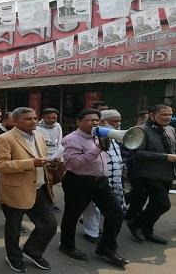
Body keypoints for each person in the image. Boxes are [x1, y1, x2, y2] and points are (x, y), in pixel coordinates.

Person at [0, 107, 58, 272]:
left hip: (41, 189)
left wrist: (52, 162)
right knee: (14, 228)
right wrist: (30, 163)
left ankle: (32, 250)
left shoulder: (39, 136)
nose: (33, 121)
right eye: (28, 119)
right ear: (15, 121)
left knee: (49, 225)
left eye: (35, 118)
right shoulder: (5, 139)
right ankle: (13, 257)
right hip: (16, 190)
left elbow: (41, 159)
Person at [59, 109, 128, 265]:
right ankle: (66, 245)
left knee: (116, 213)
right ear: (78, 122)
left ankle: (107, 248)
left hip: (101, 181)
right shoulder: (71, 139)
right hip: (79, 182)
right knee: (72, 215)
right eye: (90, 120)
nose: (94, 123)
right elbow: (74, 164)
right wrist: (98, 149)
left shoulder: (100, 136)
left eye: (97, 120)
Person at [127, 104, 176, 245]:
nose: (168, 118)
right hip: (148, 173)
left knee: (155, 203)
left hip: (167, 173)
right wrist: (166, 157)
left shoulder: (170, 129)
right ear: (151, 115)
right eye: (164, 115)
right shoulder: (140, 131)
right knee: (163, 204)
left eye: (170, 114)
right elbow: (137, 153)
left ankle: (148, 230)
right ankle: (135, 223)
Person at [36, 108, 64, 213]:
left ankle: (41, 197)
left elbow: (60, 141)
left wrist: (60, 155)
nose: (52, 120)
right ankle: (51, 203)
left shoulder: (58, 126)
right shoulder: (37, 129)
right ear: (43, 118)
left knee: (58, 178)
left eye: (54, 118)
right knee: (49, 181)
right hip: (45, 159)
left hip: (58, 157)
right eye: (49, 118)